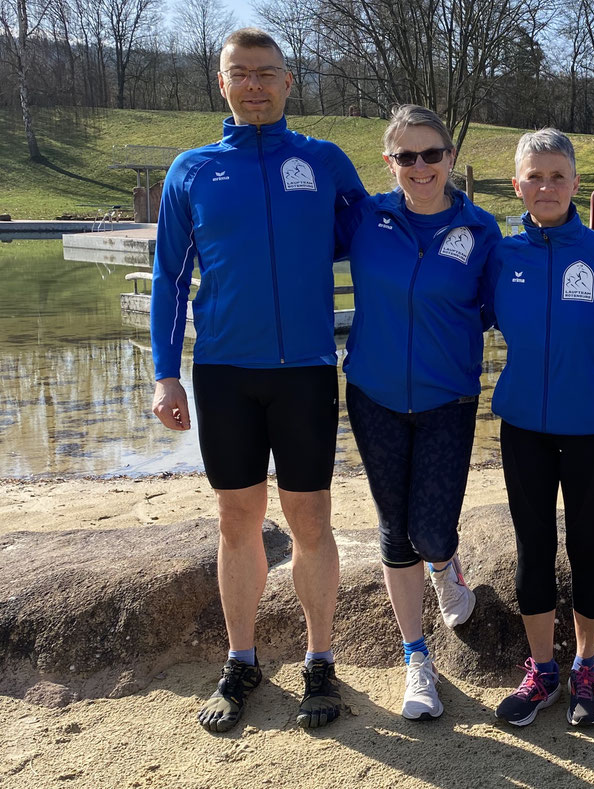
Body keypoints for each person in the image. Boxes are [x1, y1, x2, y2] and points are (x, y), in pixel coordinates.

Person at [149, 28, 366, 733]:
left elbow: (373, 245)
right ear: (221, 83)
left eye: (266, 73)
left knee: (310, 521)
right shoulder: (191, 171)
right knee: (236, 519)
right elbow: (169, 281)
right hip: (223, 373)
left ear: (289, 82)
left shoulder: (325, 162)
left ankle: (319, 658)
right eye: (239, 73)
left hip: (305, 371)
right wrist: (163, 375)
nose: (253, 85)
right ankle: (241, 659)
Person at [338, 104, 501, 720]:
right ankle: (417, 661)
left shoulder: (480, 231)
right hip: (373, 395)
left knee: (430, 529)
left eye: (431, 153)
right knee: (392, 528)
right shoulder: (365, 219)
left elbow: (494, 308)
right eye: (406, 156)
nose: (420, 166)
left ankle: (447, 567)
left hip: (447, 399)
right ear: (389, 163)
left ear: (450, 157)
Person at [489, 129, 594, 727]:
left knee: (588, 548)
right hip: (523, 425)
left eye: (557, 176)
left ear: (576, 184)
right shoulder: (499, 256)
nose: (545, 187)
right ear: (517, 184)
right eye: (534, 177)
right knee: (533, 549)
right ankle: (542, 670)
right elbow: (454, 318)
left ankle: (586, 666)